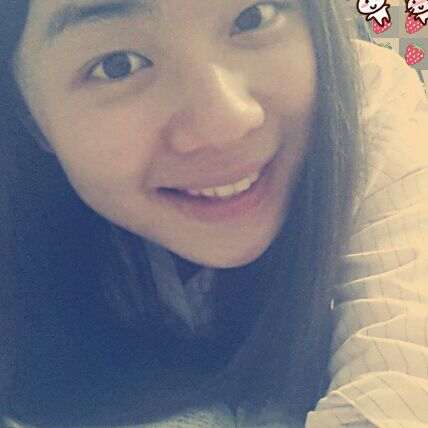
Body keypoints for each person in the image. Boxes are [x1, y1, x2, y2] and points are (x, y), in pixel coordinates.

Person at [0, 1, 427, 427]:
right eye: (117, 66)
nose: (225, 123)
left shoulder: (366, 104)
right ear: (26, 112)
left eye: (252, 17)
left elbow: (401, 378)